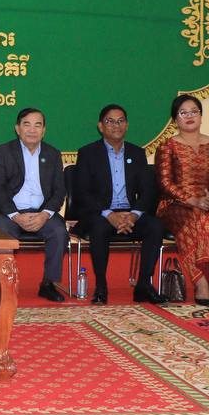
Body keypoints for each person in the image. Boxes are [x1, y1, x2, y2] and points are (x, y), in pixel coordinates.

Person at [71, 104, 168, 305]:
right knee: (99, 227)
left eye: (121, 121)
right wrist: (109, 214)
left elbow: (148, 191)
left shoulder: (137, 153)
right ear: (100, 126)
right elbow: (82, 192)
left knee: (155, 226)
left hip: (129, 214)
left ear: (127, 125)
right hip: (100, 214)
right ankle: (101, 286)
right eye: (110, 121)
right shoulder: (88, 153)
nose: (116, 125)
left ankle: (144, 285)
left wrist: (134, 214)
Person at [155, 95, 209, 306]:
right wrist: (192, 200)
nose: (189, 116)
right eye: (183, 113)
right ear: (175, 119)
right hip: (174, 205)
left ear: (201, 116)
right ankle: (200, 283)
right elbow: (165, 183)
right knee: (196, 219)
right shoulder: (167, 146)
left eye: (194, 111)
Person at [0, 107, 68, 302]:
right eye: (27, 124)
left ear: (44, 130)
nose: (32, 130)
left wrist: (45, 214)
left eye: (37, 125)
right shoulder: (3, 152)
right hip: (9, 213)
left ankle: (48, 283)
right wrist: (16, 216)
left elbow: (59, 191)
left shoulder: (53, 154)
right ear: (17, 128)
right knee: (2, 232)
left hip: (41, 213)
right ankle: (2, 284)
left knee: (59, 232)